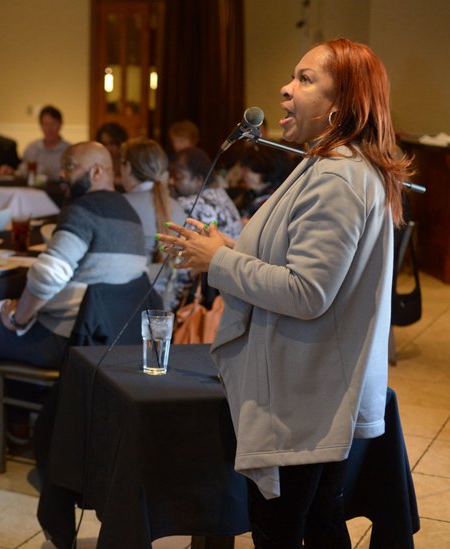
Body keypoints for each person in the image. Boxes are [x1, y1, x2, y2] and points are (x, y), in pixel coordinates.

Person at [157, 38, 413, 547]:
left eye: (304, 79)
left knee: (286, 529)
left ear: (340, 105)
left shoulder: (338, 175)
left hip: (304, 390)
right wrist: (230, 247)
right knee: (318, 522)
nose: (285, 89)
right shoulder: (332, 164)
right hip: (310, 382)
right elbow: (301, 261)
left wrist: (221, 262)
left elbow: (308, 292)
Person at [0, 141, 147, 453]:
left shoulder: (83, 209)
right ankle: (16, 422)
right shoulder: (126, 209)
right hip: (109, 336)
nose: (61, 172)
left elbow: (48, 275)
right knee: (2, 316)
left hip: (69, 339)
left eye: (70, 165)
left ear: (97, 170)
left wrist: (20, 316)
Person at [167, 146, 243, 308]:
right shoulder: (221, 195)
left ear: (198, 181)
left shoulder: (188, 204)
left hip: (205, 296)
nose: (171, 182)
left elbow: (182, 265)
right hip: (232, 288)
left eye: (178, 177)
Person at [120, 138, 187, 309]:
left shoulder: (118, 207)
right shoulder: (177, 208)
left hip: (126, 304)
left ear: (127, 167)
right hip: (167, 306)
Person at [17, 105, 70, 179]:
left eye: (53, 124)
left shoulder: (69, 151)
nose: (49, 128)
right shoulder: (32, 148)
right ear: (41, 125)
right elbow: (22, 171)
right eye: (45, 124)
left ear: (60, 124)